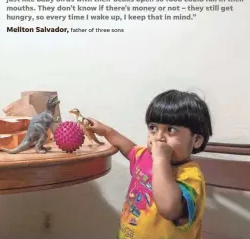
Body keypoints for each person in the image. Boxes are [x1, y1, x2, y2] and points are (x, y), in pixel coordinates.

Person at [87, 89, 213, 239]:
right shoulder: (146, 157)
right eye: (153, 128)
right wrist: (106, 131)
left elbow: (169, 209)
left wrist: (161, 160)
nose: (159, 138)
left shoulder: (191, 176)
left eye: (171, 130)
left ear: (197, 140)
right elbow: (130, 149)